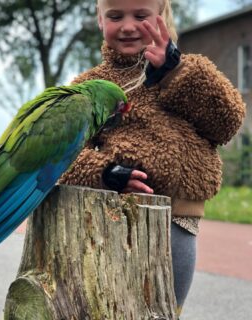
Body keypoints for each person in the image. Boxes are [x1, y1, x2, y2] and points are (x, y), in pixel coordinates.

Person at [59, 0, 246, 316]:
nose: (128, 26)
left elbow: (227, 121)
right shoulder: (87, 87)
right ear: (100, 20)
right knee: (111, 310)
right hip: (112, 219)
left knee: (164, 311)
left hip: (177, 222)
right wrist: (106, 172)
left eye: (141, 15)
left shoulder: (188, 71)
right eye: (116, 16)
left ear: (161, 17)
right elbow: (63, 158)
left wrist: (174, 71)